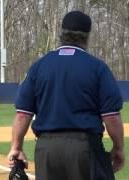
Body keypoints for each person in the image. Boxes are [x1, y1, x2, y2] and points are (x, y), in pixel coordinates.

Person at [8, 11, 125, 180]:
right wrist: (118, 148)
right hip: (84, 148)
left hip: (46, 150)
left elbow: (22, 114)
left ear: (61, 34)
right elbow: (112, 117)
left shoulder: (39, 67)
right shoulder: (98, 68)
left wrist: (16, 147)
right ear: (87, 37)